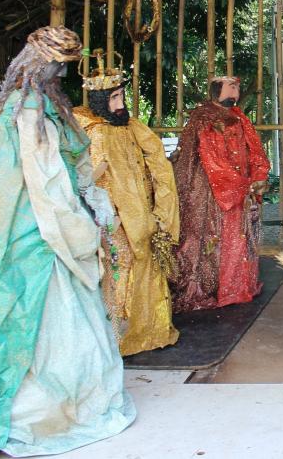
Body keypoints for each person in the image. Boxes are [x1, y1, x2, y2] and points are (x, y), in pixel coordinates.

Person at [0, 26, 135, 458]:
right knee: (45, 324)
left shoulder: (36, 104)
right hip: (34, 231)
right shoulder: (30, 109)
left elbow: (68, 166)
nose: (62, 75)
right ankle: (46, 412)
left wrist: (92, 199)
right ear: (44, 64)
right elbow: (46, 182)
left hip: (15, 225)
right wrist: (84, 223)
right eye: (60, 67)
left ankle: (64, 405)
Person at [73, 51, 181, 355]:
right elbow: (85, 179)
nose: (121, 105)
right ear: (100, 101)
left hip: (144, 215)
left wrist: (162, 210)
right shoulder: (90, 132)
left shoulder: (134, 127)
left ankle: (150, 329)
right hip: (111, 218)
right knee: (118, 269)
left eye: (122, 97)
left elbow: (159, 168)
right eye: (115, 98)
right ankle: (117, 337)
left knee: (149, 265)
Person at [171, 75, 270, 312]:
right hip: (208, 191)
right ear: (217, 90)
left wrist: (258, 175)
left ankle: (238, 286)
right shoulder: (202, 118)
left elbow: (254, 148)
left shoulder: (239, 117)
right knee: (213, 238)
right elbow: (210, 158)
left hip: (238, 187)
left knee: (239, 236)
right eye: (231, 87)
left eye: (237, 87)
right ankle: (215, 287)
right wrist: (239, 184)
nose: (235, 91)